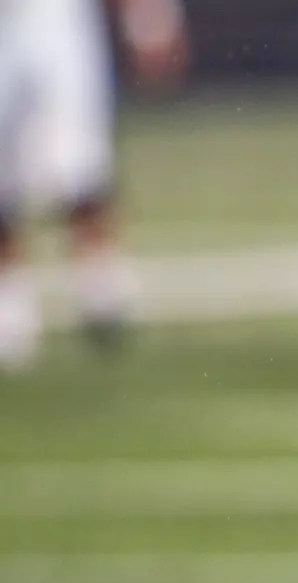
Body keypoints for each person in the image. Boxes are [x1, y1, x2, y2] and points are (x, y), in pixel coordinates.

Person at [0, 0, 188, 370]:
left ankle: (100, 287)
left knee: (80, 162)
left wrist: (149, 21)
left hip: (55, 16)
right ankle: (10, 301)